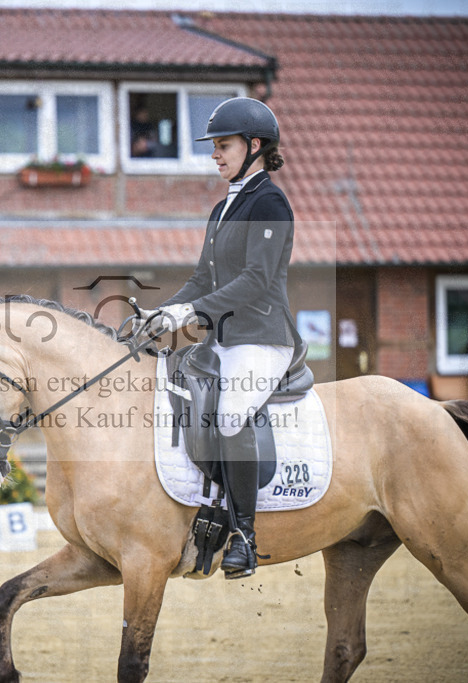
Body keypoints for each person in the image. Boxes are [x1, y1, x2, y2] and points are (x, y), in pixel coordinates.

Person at [152, 97, 299, 580]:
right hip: (222, 340)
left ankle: (245, 537)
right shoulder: (222, 208)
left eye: (223, 146)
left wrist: (191, 311)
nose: (215, 155)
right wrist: (164, 312)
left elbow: (256, 279)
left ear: (255, 146)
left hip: (262, 337)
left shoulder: (270, 202)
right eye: (214, 147)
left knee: (233, 414)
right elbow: (202, 279)